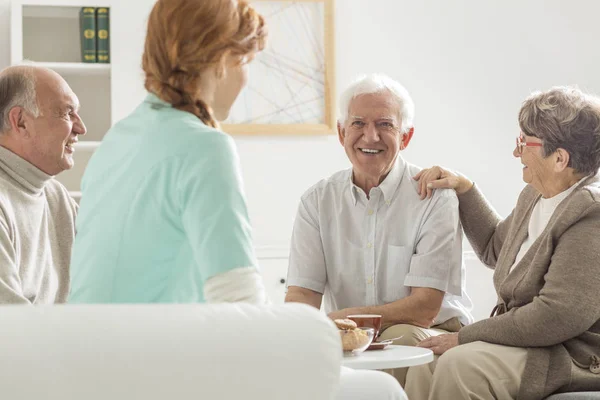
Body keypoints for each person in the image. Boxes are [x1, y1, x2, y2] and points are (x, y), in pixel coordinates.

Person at [68, 1, 405, 398]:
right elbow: (239, 304)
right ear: (221, 60)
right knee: (380, 391)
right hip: (161, 371)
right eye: (246, 61)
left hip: (89, 367)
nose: (246, 77)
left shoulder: (117, 141)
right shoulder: (204, 146)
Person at [407, 86, 600, 400]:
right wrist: (464, 187)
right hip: (526, 344)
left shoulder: (591, 213)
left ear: (560, 159)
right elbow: (495, 248)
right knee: (425, 362)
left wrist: (466, 337)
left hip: (566, 355)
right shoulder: (537, 194)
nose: (515, 152)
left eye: (523, 143)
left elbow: (556, 316)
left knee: (461, 365)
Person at [285, 73, 473, 385]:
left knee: (400, 334)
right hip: (353, 339)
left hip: (432, 331)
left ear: (406, 137)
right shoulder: (316, 202)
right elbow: (302, 294)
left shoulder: (434, 198)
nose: (370, 136)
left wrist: (342, 320)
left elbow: (424, 308)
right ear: (342, 132)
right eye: (358, 123)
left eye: (384, 125)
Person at [0, 65, 85, 303]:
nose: (81, 128)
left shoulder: (55, 195)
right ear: (21, 122)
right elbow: (10, 326)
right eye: (67, 113)